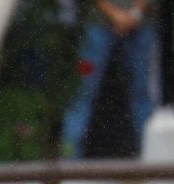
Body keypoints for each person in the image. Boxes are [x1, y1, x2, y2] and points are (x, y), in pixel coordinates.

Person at [60, 0, 160, 159]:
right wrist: (115, 14)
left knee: (143, 95)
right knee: (81, 94)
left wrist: (134, 13)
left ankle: (155, 164)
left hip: (141, 24)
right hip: (97, 26)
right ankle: (68, 164)